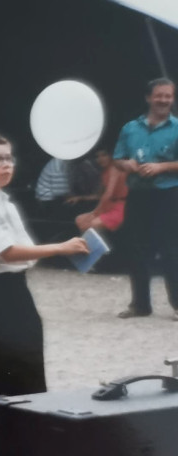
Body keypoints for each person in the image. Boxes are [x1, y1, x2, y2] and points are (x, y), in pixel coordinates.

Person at [0, 134, 88, 424]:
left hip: (17, 290)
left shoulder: (6, 203)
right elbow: (5, 252)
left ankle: (28, 434)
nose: (5, 164)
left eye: (8, 158)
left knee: (27, 358)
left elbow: (23, 253)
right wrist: (59, 247)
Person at [111, 78, 178, 318]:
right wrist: (126, 163)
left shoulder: (177, 127)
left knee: (171, 249)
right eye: (159, 95)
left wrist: (162, 168)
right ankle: (140, 305)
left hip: (168, 194)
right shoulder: (130, 128)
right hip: (138, 194)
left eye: (168, 96)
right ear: (148, 98)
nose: (163, 100)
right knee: (136, 248)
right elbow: (117, 158)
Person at [75, 146, 128, 238]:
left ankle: (96, 250)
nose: (100, 159)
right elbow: (100, 195)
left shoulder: (115, 168)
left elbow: (108, 194)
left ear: (111, 156)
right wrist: (81, 197)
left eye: (104, 155)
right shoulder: (104, 172)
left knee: (93, 223)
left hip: (120, 208)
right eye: (97, 156)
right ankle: (87, 247)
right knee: (80, 220)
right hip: (107, 207)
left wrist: (95, 213)